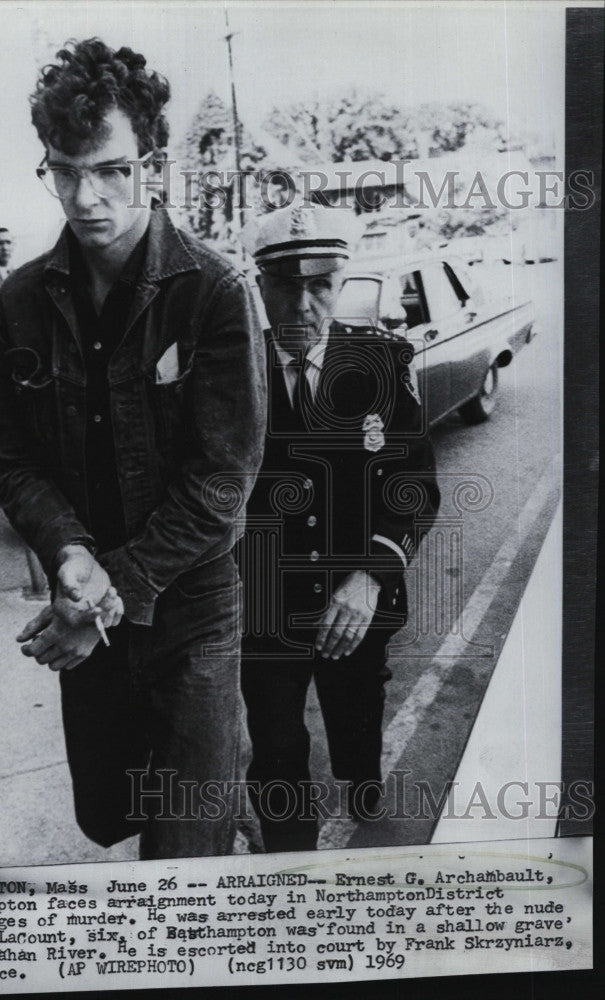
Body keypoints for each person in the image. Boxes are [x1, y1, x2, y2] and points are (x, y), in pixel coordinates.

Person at [0, 38, 266, 860]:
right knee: (113, 812)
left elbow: (222, 482)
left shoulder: (211, 290)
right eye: (63, 170)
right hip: (90, 602)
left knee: (180, 855)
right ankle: (222, 788)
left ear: (152, 162)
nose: (85, 196)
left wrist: (109, 591)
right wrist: (70, 555)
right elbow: (8, 456)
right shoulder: (20, 301)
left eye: (109, 169)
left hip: (191, 613)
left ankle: (217, 798)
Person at [239, 203, 441, 853]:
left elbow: (415, 486)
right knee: (275, 744)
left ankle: (361, 782)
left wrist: (372, 573)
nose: (302, 305)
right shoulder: (229, 374)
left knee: (357, 716)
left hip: (356, 589)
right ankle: (290, 869)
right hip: (265, 599)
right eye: (285, 286)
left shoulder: (381, 363)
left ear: (340, 282)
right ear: (260, 284)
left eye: (319, 285)